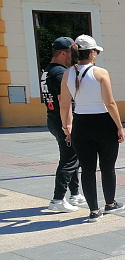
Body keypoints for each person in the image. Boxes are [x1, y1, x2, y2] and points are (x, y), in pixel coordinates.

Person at [60, 35, 125, 223]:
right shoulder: (101, 73)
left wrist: (67, 127)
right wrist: (119, 126)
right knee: (107, 166)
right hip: (104, 123)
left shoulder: (67, 74)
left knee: (87, 169)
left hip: (81, 123)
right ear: (91, 53)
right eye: (96, 51)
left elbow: (64, 105)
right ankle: (110, 203)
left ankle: (94, 211)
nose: (96, 54)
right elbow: (110, 103)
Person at [41, 37, 84, 212]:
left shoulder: (47, 70)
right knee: (69, 160)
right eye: (72, 53)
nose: (73, 57)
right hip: (62, 119)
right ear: (64, 53)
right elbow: (64, 102)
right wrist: (68, 126)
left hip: (52, 118)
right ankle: (58, 200)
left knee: (72, 158)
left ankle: (74, 194)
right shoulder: (59, 72)